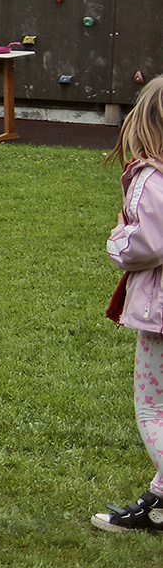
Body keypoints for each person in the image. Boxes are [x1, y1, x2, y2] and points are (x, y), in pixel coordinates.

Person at [94, 78, 163, 533]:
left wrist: (117, 238)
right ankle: (158, 503)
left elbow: (147, 243)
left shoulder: (151, 178)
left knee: (153, 409)